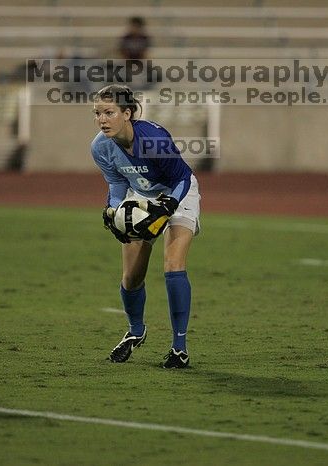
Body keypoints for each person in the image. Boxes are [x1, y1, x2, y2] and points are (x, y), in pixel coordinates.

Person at [91, 84, 200, 369]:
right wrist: (113, 208)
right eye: (98, 113)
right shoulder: (100, 146)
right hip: (139, 196)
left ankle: (179, 349)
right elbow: (116, 184)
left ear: (127, 113)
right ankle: (135, 330)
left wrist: (167, 207)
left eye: (109, 112)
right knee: (131, 277)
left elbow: (182, 178)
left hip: (177, 193)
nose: (102, 119)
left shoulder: (153, 138)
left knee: (173, 265)